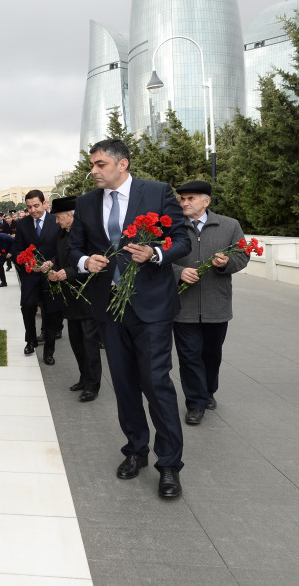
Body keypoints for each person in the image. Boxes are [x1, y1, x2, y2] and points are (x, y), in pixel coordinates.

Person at [67, 138, 191, 498]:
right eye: (92, 164)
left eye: (100, 164)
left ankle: (169, 465)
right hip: (108, 308)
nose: (94, 170)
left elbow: (181, 240)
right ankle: (135, 450)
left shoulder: (157, 192)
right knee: (123, 385)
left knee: (156, 384)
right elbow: (75, 246)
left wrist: (154, 252)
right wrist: (83, 262)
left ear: (122, 164)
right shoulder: (86, 203)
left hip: (151, 308)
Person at [171, 180, 248, 425]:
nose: (184, 203)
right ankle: (195, 403)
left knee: (212, 354)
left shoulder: (229, 225)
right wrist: (178, 272)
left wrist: (225, 263)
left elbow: (243, 256)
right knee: (189, 355)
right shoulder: (172, 227)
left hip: (217, 304)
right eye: (182, 198)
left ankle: (208, 391)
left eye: (191, 198)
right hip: (184, 305)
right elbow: (158, 259)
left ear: (206, 201)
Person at [48, 196, 102, 402]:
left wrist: (68, 273)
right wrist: (51, 266)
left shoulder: (88, 234)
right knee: (76, 343)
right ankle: (84, 377)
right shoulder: (62, 235)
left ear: (70, 216)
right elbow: (60, 258)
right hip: (70, 298)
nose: (56, 221)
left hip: (87, 298)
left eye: (58, 217)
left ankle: (93, 385)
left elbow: (92, 263)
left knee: (90, 343)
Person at [12, 189, 62, 365]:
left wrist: (52, 263)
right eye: (29, 207)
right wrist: (27, 264)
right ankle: (30, 341)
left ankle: (49, 351)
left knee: (50, 315)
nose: (33, 210)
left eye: (36, 206)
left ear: (45, 203)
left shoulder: (56, 221)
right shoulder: (22, 224)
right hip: (31, 278)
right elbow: (16, 251)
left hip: (51, 277)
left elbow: (63, 250)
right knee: (27, 308)